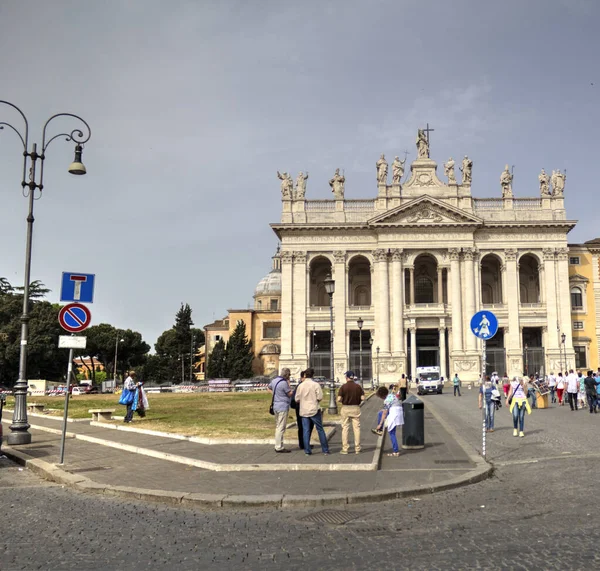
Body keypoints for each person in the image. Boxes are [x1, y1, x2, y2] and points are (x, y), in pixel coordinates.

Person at [294, 368, 329, 455]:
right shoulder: (315, 385)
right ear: (313, 375)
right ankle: (325, 449)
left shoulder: (300, 386)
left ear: (305, 375)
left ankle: (307, 450)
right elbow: (320, 397)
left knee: (306, 430)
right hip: (314, 409)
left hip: (304, 410)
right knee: (320, 429)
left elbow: (296, 399)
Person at [337, 371, 365, 454]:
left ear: (347, 378)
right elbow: (363, 398)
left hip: (345, 408)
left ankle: (345, 448)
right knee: (357, 428)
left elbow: (339, 399)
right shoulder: (358, 387)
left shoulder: (343, 387)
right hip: (356, 407)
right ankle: (357, 448)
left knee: (345, 428)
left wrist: (342, 399)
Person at [373, 386, 404, 457]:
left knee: (392, 433)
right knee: (380, 413)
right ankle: (380, 430)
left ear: (382, 395)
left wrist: (380, 424)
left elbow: (385, 413)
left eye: (380, 397)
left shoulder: (387, 400)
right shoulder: (391, 395)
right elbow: (384, 411)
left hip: (394, 413)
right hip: (398, 411)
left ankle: (396, 451)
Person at [268, 368, 293, 453]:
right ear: (287, 375)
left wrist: (274, 394)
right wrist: (289, 385)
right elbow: (290, 394)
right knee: (281, 427)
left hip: (275, 405)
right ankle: (279, 446)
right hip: (283, 406)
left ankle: (278, 445)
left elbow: (268, 388)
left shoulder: (275, 380)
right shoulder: (284, 383)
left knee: (278, 425)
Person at [291, 371, 313, 450]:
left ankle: (303, 443)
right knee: (306, 426)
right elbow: (295, 398)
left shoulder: (299, 386)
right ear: (302, 378)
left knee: (303, 427)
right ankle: (304, 444)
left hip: (301, 408)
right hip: (302, 408)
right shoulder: (300, 386)